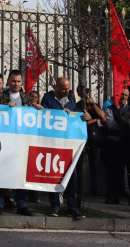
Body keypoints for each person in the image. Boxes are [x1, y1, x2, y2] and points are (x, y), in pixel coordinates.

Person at [41, 76, 89, 219]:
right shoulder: (47, 99)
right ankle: (55, 205)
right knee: (54, 175)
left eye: (68, 89)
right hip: (52, 144)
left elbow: (75, 120)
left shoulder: (71, 100)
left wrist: (82, 117)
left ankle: (72, 207)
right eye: (63, 89)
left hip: (67, 146)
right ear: (56, 87)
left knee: (72, 177)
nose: (66, 91)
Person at [0, 70, 34, 216]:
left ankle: (21, 204)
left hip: (22, 142)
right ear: (8, 82)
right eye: (13, 81)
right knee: (1, 172)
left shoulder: (27, 99)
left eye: (18, 81)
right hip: (4, 141)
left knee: (21, 174)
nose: (16, 84)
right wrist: (6, 108)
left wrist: (37, 109)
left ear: (22, 83)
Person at [104, 88, 130, 206]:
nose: (123, 96)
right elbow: (111, 125)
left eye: (125, 95)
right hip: (114, 144)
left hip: (128, 144)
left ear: (128, 97)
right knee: (113, 171)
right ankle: (112, 197)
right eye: (121, 94)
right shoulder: (109, 109)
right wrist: (126, 122)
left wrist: (123, 122)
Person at [75, 85, 106, 198]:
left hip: (94, 139)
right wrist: (94, 119)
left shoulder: (93, 105)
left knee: (94, 165)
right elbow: (78, 121)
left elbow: (103, 116)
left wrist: (92, 104)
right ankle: (79, 189)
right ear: (78, 93)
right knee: (79, 165)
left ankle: (94, 188)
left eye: (86, 91)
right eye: (82, 92)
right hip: (82, 138)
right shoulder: (78, 106)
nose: (85, 94)